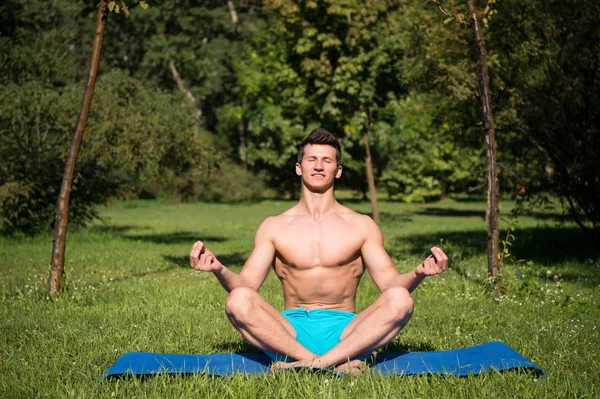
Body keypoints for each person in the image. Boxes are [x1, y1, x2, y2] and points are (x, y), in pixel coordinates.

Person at [189, 128, 448, 374]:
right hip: (289, 331)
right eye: (312, 159)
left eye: (327, 160)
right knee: (238, 300)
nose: (319, 165)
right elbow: (245, 284)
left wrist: (418, 273)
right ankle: (334, 362)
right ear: (299, 168)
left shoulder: (361, 225)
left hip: (347, 331)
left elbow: (391, 285)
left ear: (337, 170)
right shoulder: (274, 226)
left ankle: (305, 363)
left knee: (402, 298)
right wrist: (218, 269)